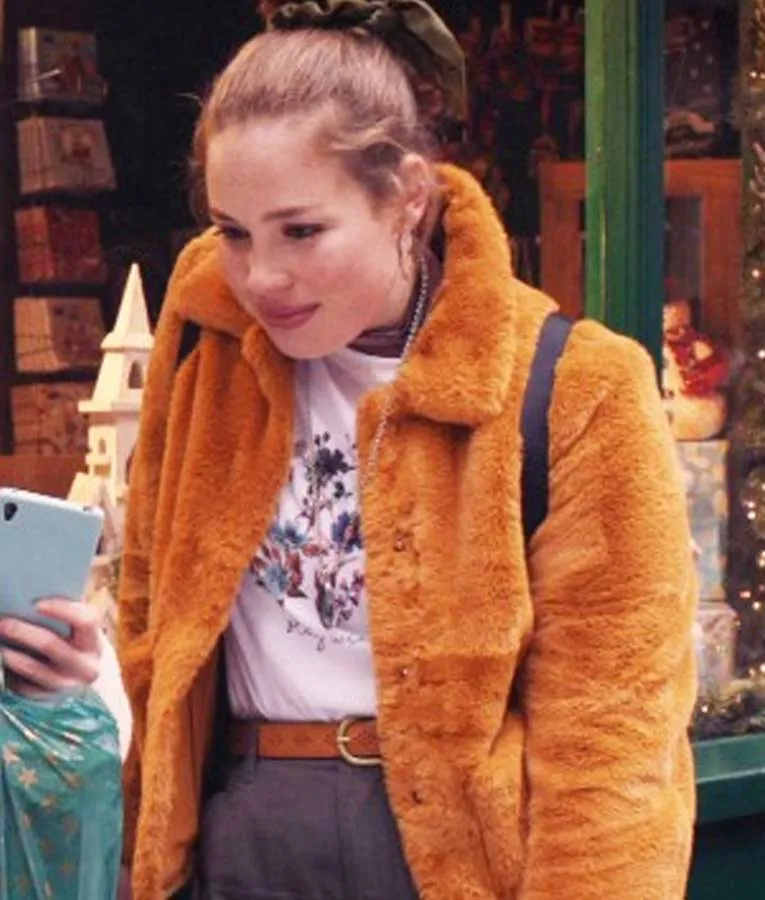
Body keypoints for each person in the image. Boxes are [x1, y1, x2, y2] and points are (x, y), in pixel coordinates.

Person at [118, 1, 698, 898]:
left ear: (408, 197)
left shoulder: (574, 386)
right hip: (239, 828)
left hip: (449, 853)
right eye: (233, 232)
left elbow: (611, 733)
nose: (262, 275)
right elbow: (151, 611)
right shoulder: (207, 338)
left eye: (301, 230)